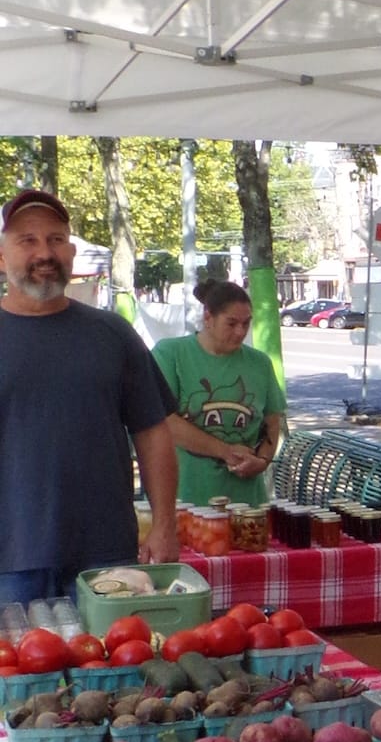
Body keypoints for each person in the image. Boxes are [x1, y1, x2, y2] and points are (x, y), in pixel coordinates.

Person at [0, 187, 179, 606]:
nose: (45, 252)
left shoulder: (113, 334)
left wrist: (165, 524)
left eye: (56, 239)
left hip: (105, 558)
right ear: (2, 256)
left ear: (71, 253)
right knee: (16, 673)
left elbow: (153, 434)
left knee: (113, 670)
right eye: (27, 240)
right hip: (8, 561)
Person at [152, 279, 286, 505]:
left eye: (246, 323)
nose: (240, 332)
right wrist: (225, 451)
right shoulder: (170, 354)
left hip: (246, 503)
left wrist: (262, 460)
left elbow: (273, 423)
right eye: (231, 323)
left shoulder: (260, 363)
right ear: (208, 317)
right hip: (187, 498)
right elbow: (165, 422)